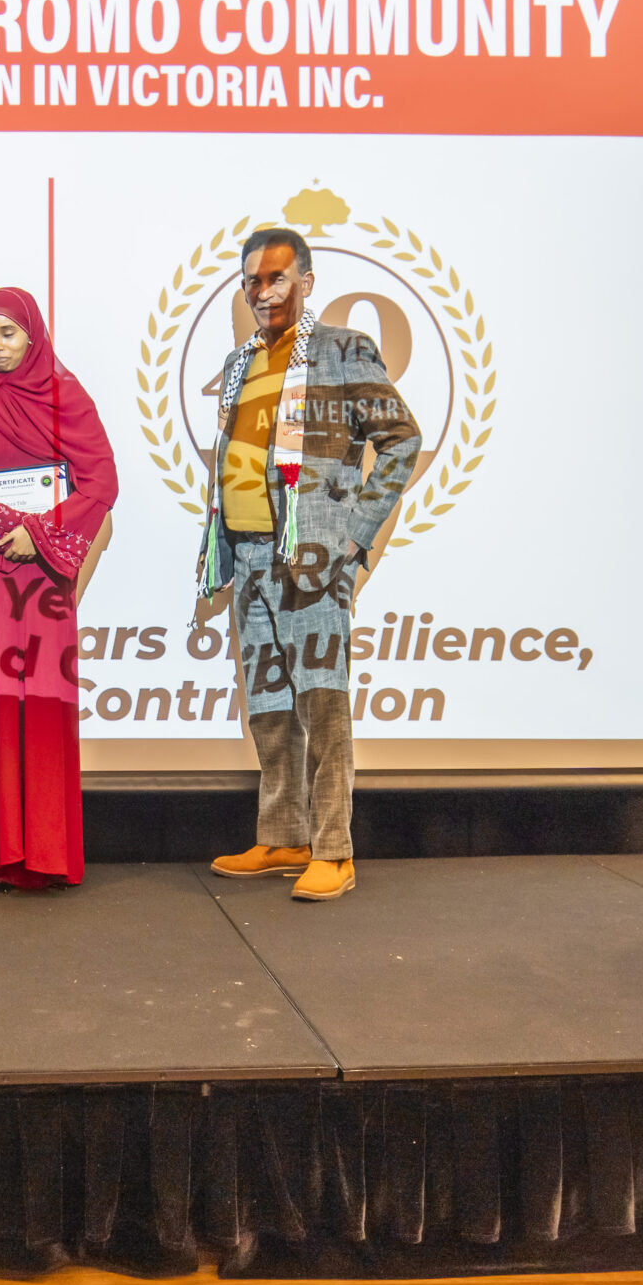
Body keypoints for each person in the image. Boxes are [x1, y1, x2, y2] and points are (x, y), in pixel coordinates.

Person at [199, 228, 421, 901]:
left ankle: (333, 849)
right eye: (253, 281)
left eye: (277, 278)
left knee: (322, 706)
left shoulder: (343, 349)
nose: (263, 291)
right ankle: (285, 836)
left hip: (312, 560)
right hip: (249, 555)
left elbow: (401, 440)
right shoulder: (240, 362)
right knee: (269, 708)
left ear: (307, 281)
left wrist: (353, 534)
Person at [0, 287, 119, 889]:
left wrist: (38, 535)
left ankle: (43, 855)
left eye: (8, 333)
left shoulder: (66, 395)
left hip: (43, 574)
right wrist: (0, 530)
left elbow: (101, 483)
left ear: (32, 335)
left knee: (41, 703)